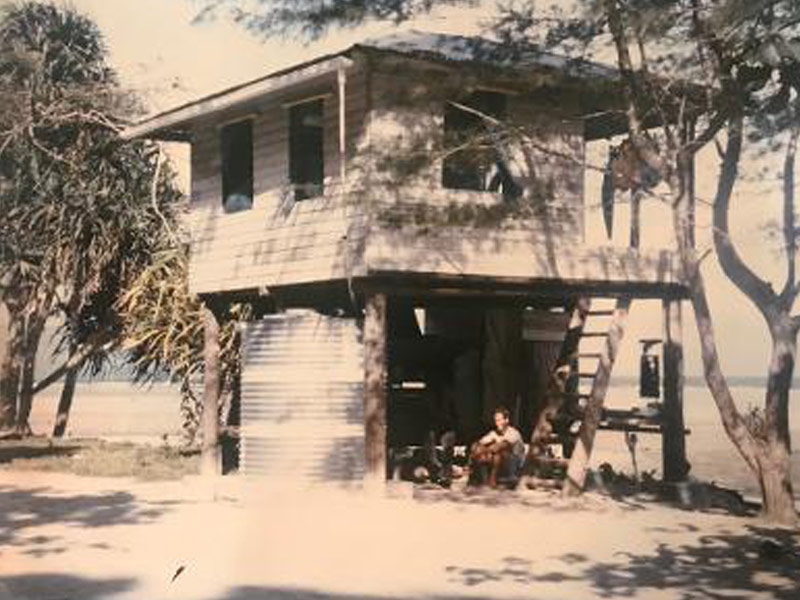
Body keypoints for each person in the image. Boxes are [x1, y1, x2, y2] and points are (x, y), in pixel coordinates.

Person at [468, 406, 526, 488]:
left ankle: (493, 479)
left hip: (514, 464)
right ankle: (482, 479)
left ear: (506, 420)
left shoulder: (513, 433)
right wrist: (478, 449)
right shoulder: (494, 433)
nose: (497, 423)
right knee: (479, 450)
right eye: (496, 420)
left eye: (499, 420)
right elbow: (478, 443)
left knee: (496, 453)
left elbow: (500, 446)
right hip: (501, 463)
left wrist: (484, 451)